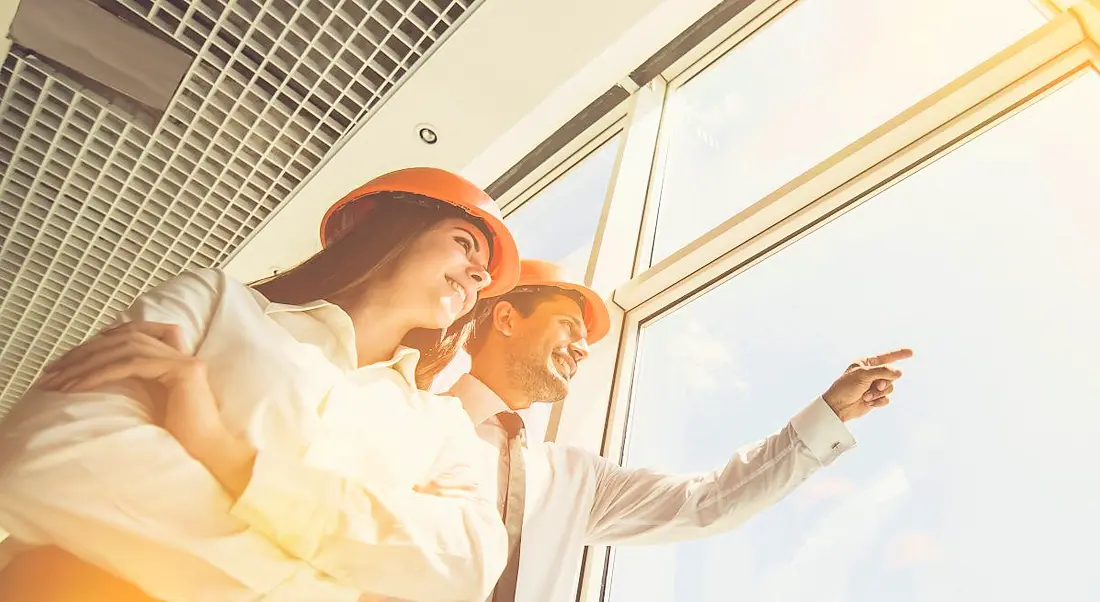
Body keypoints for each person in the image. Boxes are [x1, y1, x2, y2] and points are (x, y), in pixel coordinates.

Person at [0, 168, 521, 602]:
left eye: (483, 273)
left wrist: (221, 452)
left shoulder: (439, 427)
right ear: (395, 228)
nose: (478, 275)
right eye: (464, 244)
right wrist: (332, 584)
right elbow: (47, 459)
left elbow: (467, 569)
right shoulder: (217, 304)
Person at [448, 259, 913, 602]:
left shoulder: (575, 478)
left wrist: (829, 412)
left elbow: (709, 502)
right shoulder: (406, 420)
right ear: (507, 318)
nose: (584, 350)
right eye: (569, 325)